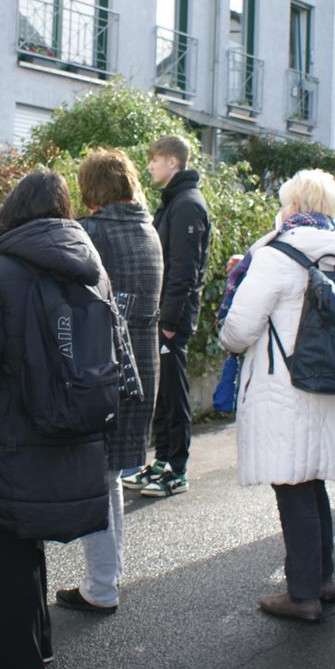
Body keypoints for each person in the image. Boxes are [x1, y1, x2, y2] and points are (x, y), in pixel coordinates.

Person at [0, 171, 111, 669]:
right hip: (69, 421)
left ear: (12, 209)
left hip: (9, 429)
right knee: (28, 535)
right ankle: (38, 643)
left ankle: (20, 663)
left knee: (12, 544)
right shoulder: (91, 266)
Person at [219, 169, 335, 623]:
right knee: (311, 481)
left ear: (295, 207)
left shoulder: (277, 255)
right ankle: (322, 579)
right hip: (327, 381)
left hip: (283, 384)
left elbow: (239, 330)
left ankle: (302, 594)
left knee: (292, 485)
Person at [55, 149, 162, 615]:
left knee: (99, 478)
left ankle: (101, 587)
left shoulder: (90, 232)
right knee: (112, 474)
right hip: (144, 366)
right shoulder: (149, 230)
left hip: (103, 368)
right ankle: (108, 576)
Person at [122, 135, 210, 499]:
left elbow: (184, 271)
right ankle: (161, 462)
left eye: (155, 160)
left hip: (171, 320)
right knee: (161, 394)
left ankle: (176, 468)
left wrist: (170, 322)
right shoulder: (175, 202)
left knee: (173, 394)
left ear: (173, 162)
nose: (150, 167)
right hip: (163, 317)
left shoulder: (187, 205)